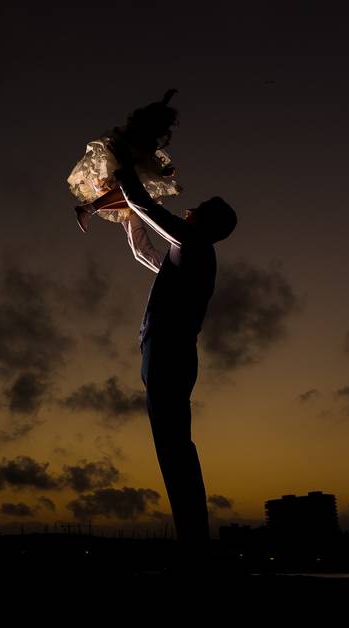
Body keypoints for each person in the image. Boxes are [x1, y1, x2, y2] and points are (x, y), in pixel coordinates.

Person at [112, 143, 238, 573]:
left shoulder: (195, 244)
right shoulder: (189, 252)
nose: (188, 210)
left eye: (197, 207)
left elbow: (145, 203)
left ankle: (194, 545)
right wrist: (128, 217)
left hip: (170, 355)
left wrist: (124, 163)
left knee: (174, 448)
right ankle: (193, 540)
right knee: (172, 446)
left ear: (206, 222)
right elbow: (146, 254)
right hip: (164, 353)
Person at [67, 90, 182, 233]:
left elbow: (142, 165)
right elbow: (137, 164)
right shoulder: (140, 138)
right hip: (109, 175)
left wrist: (166, 99)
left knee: (133, 200)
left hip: (110, 175)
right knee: (135, 196)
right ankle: (88, 208)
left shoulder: (139, 132)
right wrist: (161, 172)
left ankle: (89, 208)